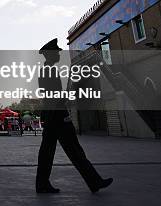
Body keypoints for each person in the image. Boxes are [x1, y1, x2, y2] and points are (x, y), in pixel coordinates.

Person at [35, 38, 113, 194]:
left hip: (53, 117)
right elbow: (52, 96)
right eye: (56, 52)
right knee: (73, 151)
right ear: (50, 54)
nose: (59, 53)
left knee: (50, 152)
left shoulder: (47, 70)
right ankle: (94, 181)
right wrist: (67, 98)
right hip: (57, 117)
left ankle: (43, 184)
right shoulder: (49, 71)